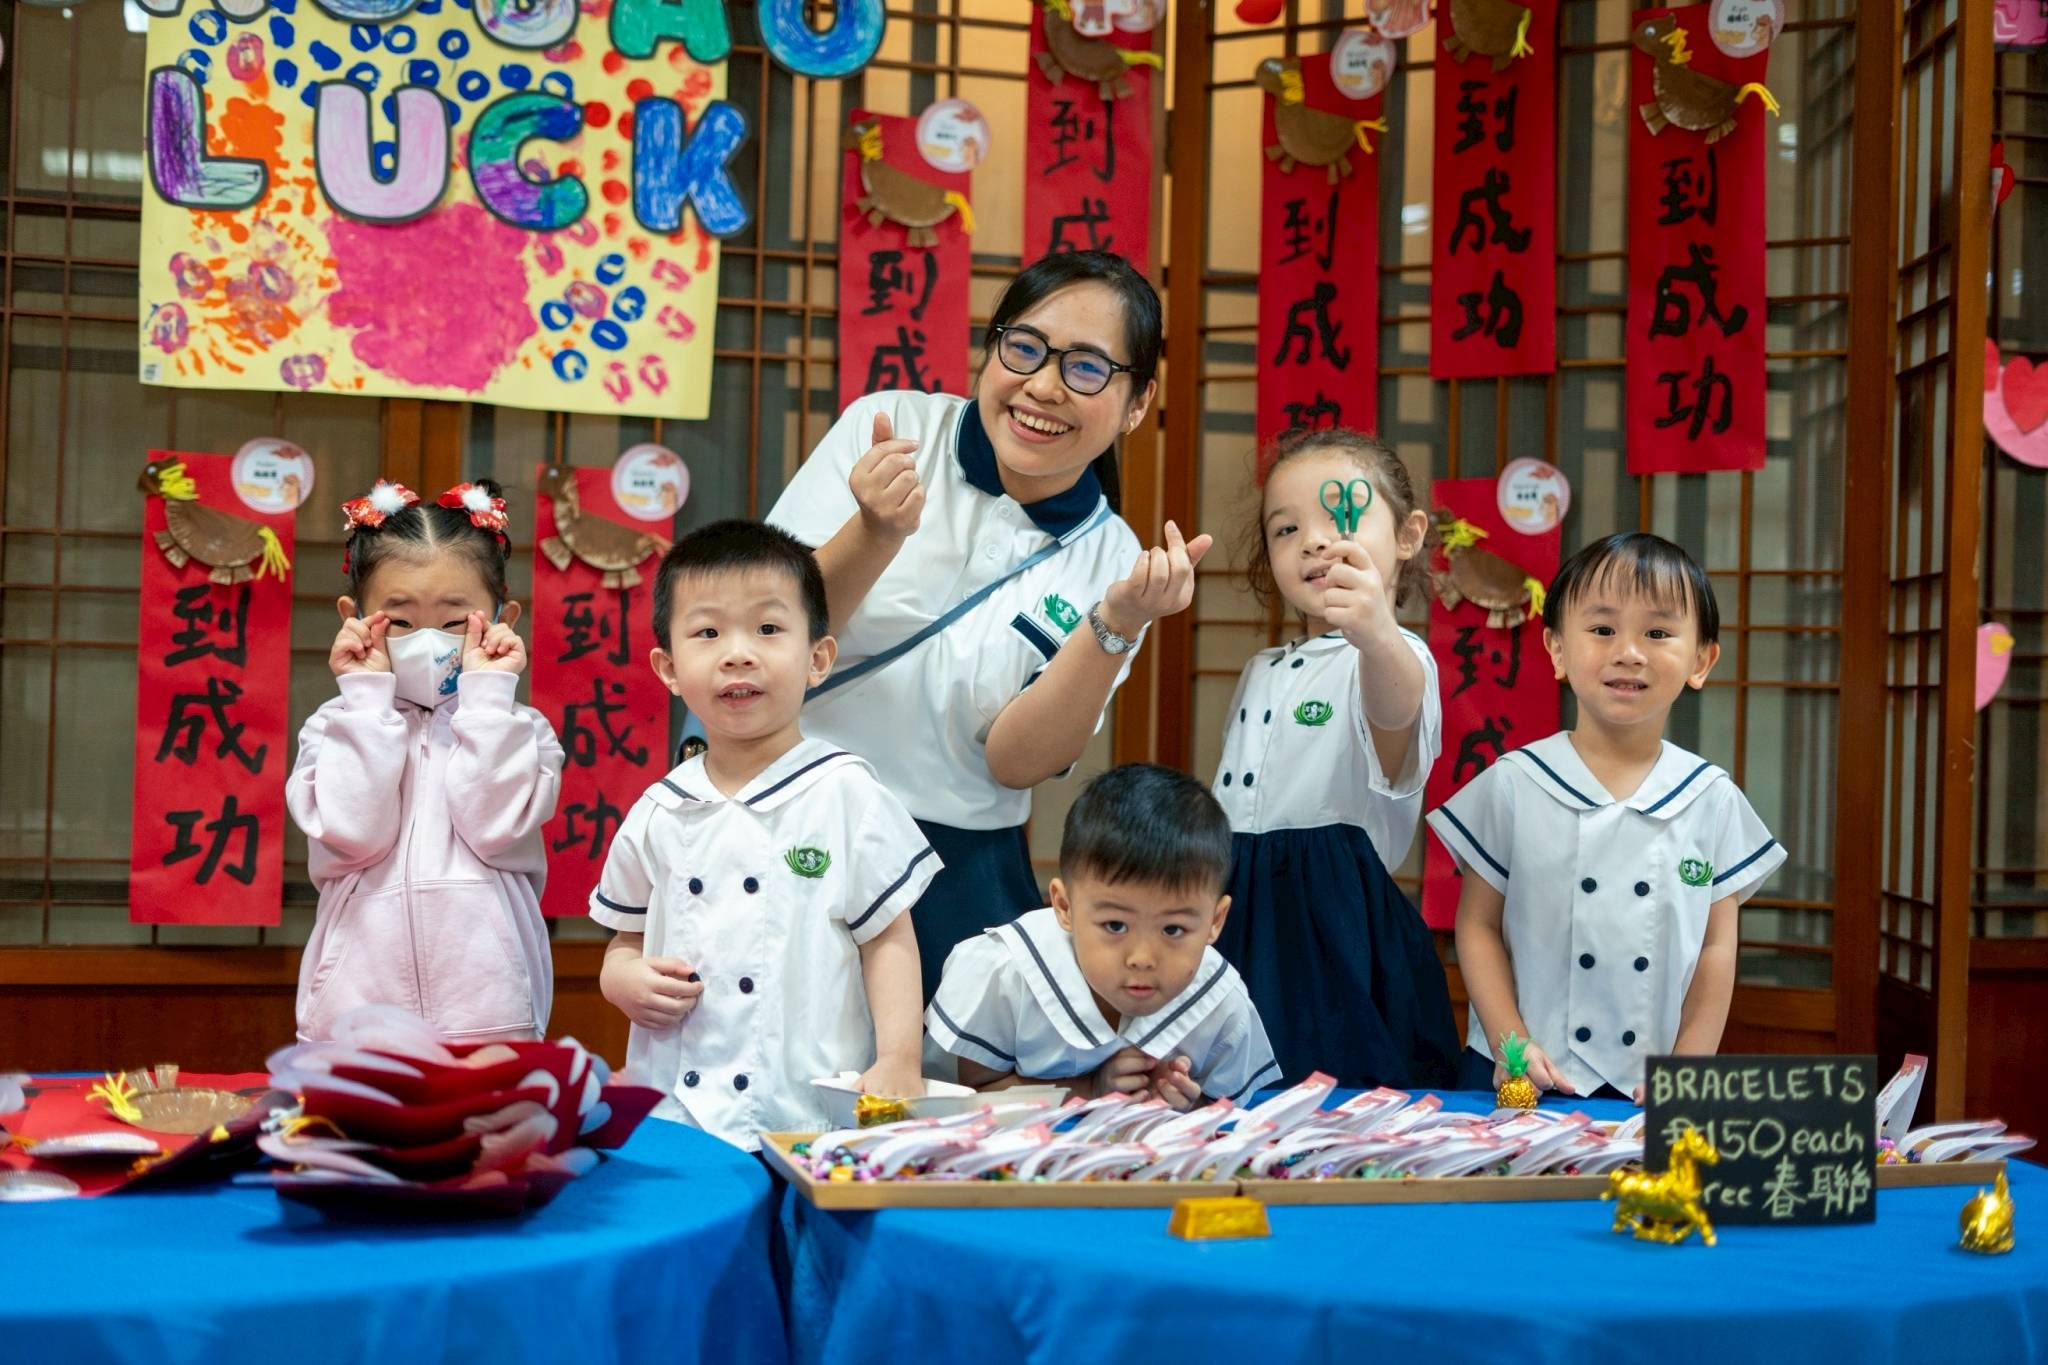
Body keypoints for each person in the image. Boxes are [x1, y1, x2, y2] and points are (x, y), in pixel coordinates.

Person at [768, 250, 1207, 999]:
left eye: (1088, 368)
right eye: (1026, 347)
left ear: (1138, 401)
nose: (1042, 386)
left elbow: (1015, 761)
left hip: (954, 863)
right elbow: (771, 642)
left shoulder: (1114, 558)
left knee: (938, 1094)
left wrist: (1117, 622)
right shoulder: (892, 430)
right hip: (790, 819)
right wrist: (874, 530)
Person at [590, 521, 938, 1150]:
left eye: (769, 629)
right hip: (675, 1111)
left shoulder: (846, 792)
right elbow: (623, 943)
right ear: (668, 668)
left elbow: (888, 939)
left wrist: (899, 1060)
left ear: (818, 659)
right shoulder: (659, 808)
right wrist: (623, 982)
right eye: (707, 633)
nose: (738, 653)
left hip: (811, 1107)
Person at [1429, 532, 1787, 1102]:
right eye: (1601, 630)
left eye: (1658, 632)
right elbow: (1477, 927)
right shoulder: (1515, 781)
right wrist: (1511, 1044)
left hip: (1650, 1086)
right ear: (1557, 650)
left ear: (1701, 660)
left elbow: (1717, 951)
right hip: (1519, 1073)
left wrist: (1689, 1072)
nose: (1629, 652)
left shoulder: (1712, 798)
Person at [1213, 428, 1461, 1089]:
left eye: (1340, 517)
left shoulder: (1396, 657)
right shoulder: (1260, 667)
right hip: (1236, 908)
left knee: (1337, 1103)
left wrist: (1378, 632)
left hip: (1333, 931)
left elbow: (1394, 708)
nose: (1315, 541)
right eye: (1286, 529)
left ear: (1408, 535)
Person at [289, 479, 562, 1043]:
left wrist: (487, 699)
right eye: (402, 621)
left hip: (492, 1016)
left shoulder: (523, 731)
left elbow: (495, 830)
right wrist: (365, 699)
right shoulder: (331, 726)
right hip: (354, 1016)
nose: (428, 640)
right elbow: (353, 835)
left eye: (455, 621)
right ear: (354, 616)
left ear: (503, 617)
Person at [926, 764, 1277, 1109]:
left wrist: (1188, 1104)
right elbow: (975, 1092)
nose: (1142, 957)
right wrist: (1090, 1088)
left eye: (1173, 929)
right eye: (1115, 926)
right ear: (1064, 906)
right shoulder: (1007, 973)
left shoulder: (1221, 1000)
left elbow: (1229, 1110)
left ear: (1215, 920)